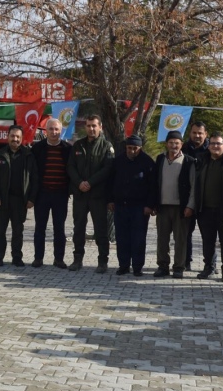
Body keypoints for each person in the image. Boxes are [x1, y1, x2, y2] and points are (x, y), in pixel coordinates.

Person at [68, 115, 114, 271]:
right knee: (78, 228)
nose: (91, 129)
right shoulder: (78, 146)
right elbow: (70, 167)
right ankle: (77, 259)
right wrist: (79, 182)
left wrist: (90, 182)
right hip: (80, 195)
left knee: (101, 229)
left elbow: (107, 169)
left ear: (100, 127)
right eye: (88, 126)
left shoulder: (107, 146)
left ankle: (102, 261)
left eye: (94, 125)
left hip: (98, 195)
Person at [0, 125, 38, 267]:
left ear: (22, 138)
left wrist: (31, 199)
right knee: (0, 231)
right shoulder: (0, 154)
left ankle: (17, 257)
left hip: (20, 201)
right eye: (12, 136)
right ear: (8, 137)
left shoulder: (28, 155)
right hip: (2, 200)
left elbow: (35, 179)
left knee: (18, 231)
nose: (15, 139)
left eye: (18, 137)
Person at [152, 130, 197, 279]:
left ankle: (179, 267)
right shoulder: (160, 159)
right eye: (171, 143)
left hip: (181, 208)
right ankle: (162, 266)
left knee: (181, 240)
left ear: (181, 145)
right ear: (167, 144)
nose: (174, 145)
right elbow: (154, 184)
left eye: (177, 143)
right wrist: (153, 204)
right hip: (163, 207)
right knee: (162, 239)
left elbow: (193, 186)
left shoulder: (189, 161)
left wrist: (190, 206)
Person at [109, 135, 155, 276]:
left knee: (138, 239)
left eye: (135, 148)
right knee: (122, 238)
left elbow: (153, 186)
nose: (132, 151)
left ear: (140, 148)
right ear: (126, 148)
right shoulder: (118, 161)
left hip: (140, 208)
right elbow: (110, 182)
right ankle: (123, 265)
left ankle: (137, 266)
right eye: (129, 148)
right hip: (120, 206)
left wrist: (149, 205)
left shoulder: (147, 162)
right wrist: (110, 200)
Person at [31, 117, 71, 268]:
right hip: (42, 194)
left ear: (61, 131)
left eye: (57, 129)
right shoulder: (38, 148)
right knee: (39, 227)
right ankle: (38, 258)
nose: (54, 132)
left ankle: (59, 259)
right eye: (51, 129)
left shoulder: (68, 149)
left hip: (60, 195)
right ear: (45, 131)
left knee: (59, 228)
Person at [195, 132, 223, 281]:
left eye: (218, 143)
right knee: (208, 241)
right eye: (212, 143)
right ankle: (209, 267)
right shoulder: (203, 160)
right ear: (208, 146)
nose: (215, 146)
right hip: (205, 209)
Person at [182, 121, 210, 268]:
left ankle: (209, 264)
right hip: (188, 198)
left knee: (208, 235)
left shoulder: (212, 150)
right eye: (194, 132)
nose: (197, 135)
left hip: (207, 199)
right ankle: (186, 261)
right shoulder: (183, 149)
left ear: (206, 134)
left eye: (200, 133)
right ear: (190, 133)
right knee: (186, 233)